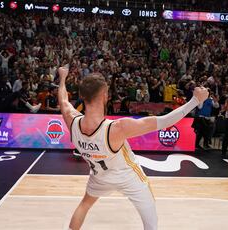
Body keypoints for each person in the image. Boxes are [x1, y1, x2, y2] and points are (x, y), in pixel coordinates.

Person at [57, 67, 209, 230]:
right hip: (129, 177)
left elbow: (63, 100)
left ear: (81, 96)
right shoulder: (117, 128)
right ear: (105, 96)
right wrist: (195, 100)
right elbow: (165, 121)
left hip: (99, 176)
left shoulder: (71, 121)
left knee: (84, 205)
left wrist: (63, 78)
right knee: (151, 221)